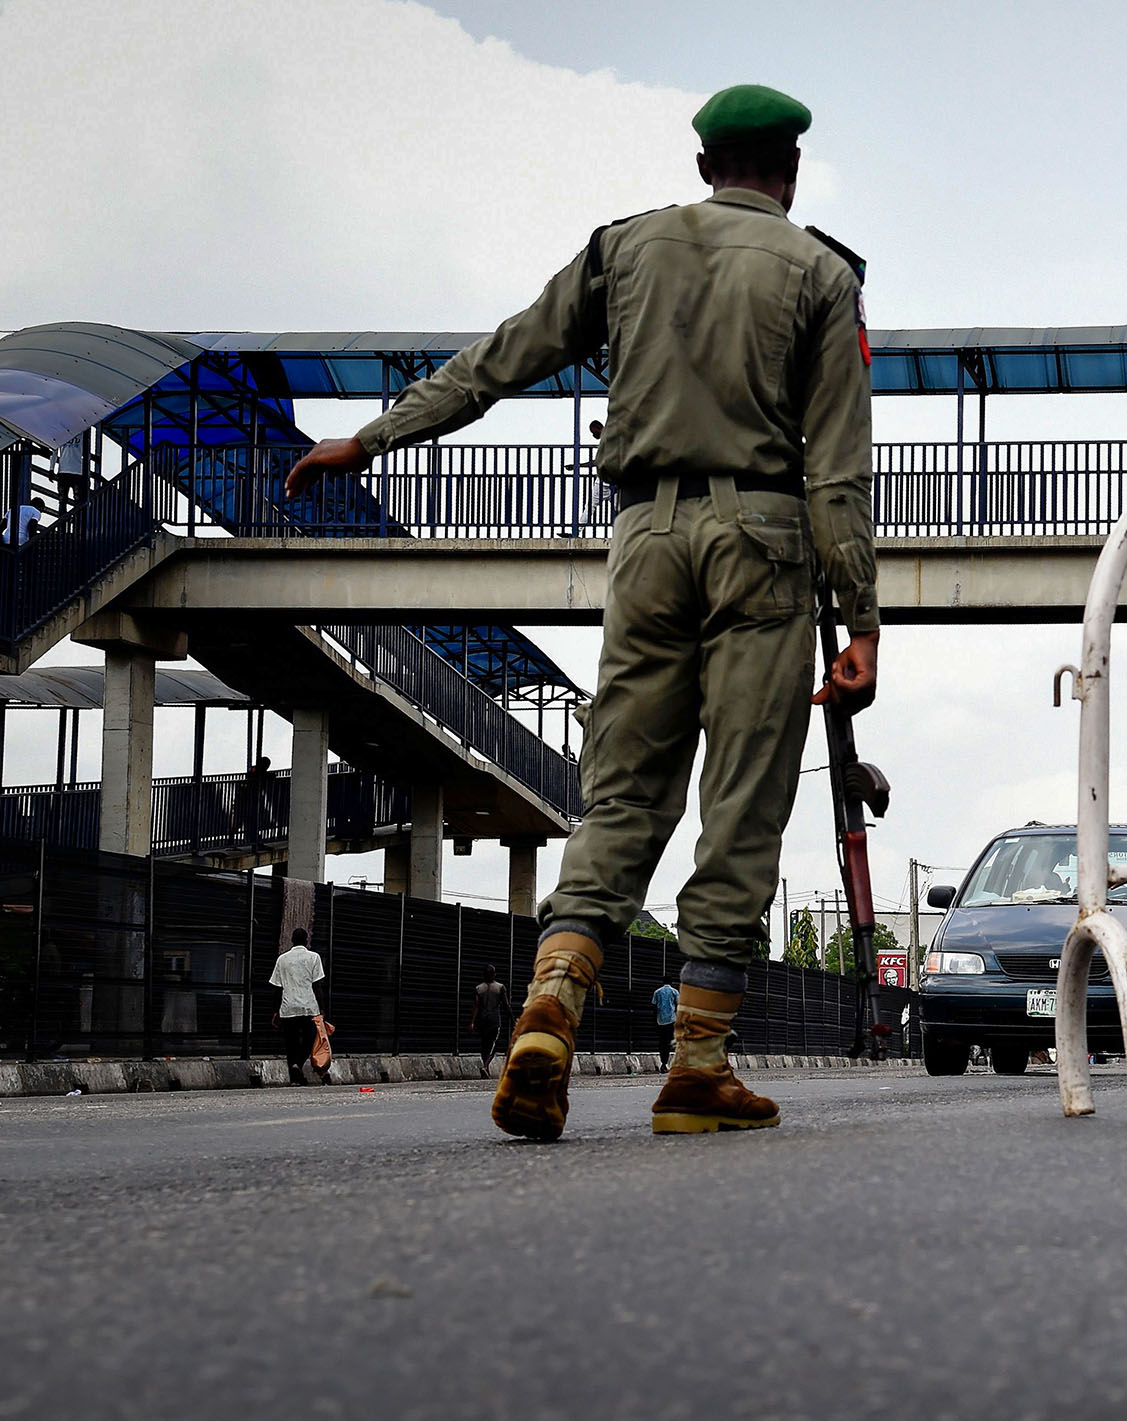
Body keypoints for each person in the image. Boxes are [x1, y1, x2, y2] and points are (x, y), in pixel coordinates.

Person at [284, 83, 877, 1142]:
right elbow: (834, 475)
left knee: (620, 795)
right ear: (788, 170)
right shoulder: (821, 274)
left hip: (642, 541)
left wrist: (368, 440)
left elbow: (496, 361)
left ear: (705, 168)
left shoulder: (624, 250)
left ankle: (552, 996)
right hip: (765, 547)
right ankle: (698, 1066)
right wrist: (862, 617)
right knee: (739, 800)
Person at [268, 928, 327, 1085]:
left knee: (291, 1042)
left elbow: (277, 988)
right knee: (309, 1040)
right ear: (306, 940)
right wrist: (321, 1007)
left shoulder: (282, 959)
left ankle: (295, 1078)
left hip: (288, 1007)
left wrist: (275, 1010)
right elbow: (317, 986)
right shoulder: (314, 957)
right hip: (309, 1007)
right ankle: (298, 1065)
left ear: (292, 941)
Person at [470, 964, 510, 1065]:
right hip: (494, 1020)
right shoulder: (500, 987)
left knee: (484, 1044)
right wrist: (512, 1019)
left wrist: (472, 1022)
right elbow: (506, 1005)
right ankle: (485, 1066)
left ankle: (485, 1067)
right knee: (493, 1044)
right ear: (494, 974)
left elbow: (476, 1006)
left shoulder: (479, 988)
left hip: (482, 1020)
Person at [651, 975, 679, 1069]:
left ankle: (664, 1063)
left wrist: (655, 1020)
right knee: (673, 1042)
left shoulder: (657, 992)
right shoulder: (674, 992)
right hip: (672, 1020)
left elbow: (654, 1007)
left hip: (660, 1021)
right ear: (671, 982)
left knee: (662, 1043)